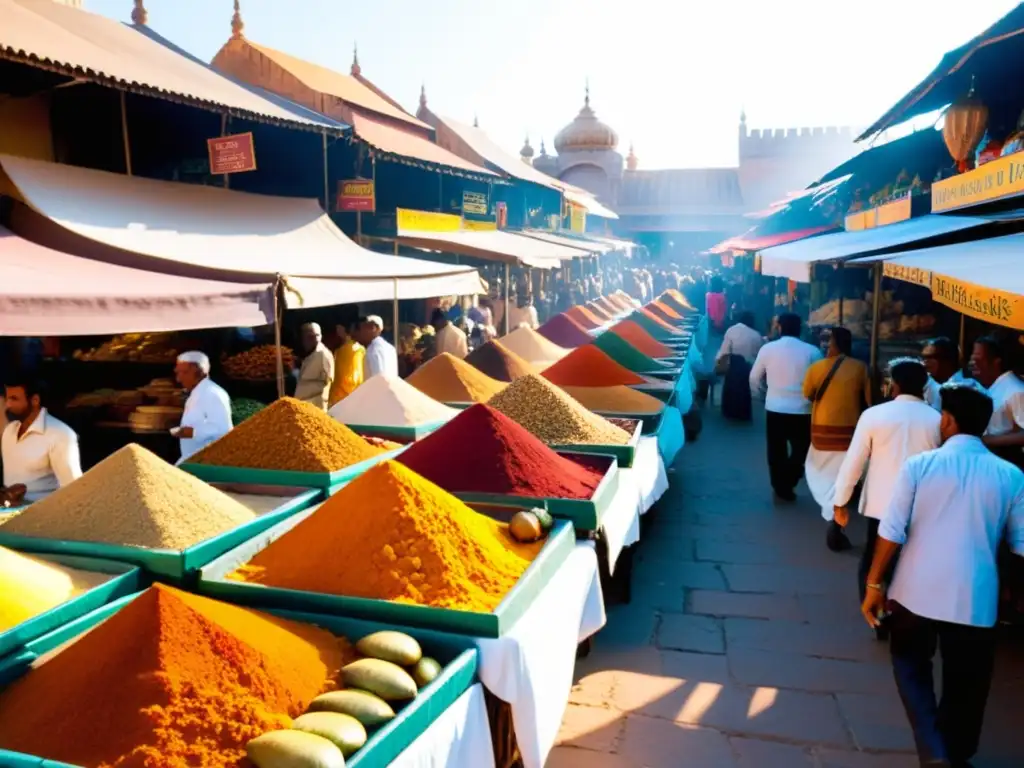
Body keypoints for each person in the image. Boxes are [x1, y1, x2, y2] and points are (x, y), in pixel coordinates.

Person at [861, 384, 1024, 768]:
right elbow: (1020, 544)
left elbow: (891, 531)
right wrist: (1012, 590)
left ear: (947, 421)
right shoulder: (1011, 475)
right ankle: (956, 751)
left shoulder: (920, 466)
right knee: (968, 681)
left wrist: (873, 584)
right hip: (976, 595)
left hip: (913, 591)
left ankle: (933, 747)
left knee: (910, 665)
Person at [832, 358, 941, 637]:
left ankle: (877, 616)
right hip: (921, 506)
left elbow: (853, 463)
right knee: (909, 562)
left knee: (873, 562)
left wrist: (840, 501)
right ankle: (903, 616)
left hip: (881, 505)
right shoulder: (937, 420)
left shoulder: (874, 415)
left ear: (895, 384)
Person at [802, 327, 871, 551]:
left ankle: (831, 511)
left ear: (831, 345)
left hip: (821, 433)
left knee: (819, 472)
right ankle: (836, 514)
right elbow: (869, 401)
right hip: (849, 434)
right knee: (844, 476)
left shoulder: (816, 368)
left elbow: (807, 393)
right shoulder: (861, 368)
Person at [749, 313, 823, 501]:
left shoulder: (768, 349)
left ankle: (780, 485)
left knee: (776, 450)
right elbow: (820, 380)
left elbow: (754, 378)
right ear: (801, 329)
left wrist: (760, 395)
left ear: (780, 327)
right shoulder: (812, 351)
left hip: (775, 407)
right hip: (803, 409)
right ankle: (789, 480)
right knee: (802, 449)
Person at [1, 377, 82, 504]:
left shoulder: (60, 434)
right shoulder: (9, 431)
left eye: (14, 399)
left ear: (35, 400)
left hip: (42, 516)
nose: (8, 405)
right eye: (7, 398)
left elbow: (74, 489)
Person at [172, 351, 232, 464]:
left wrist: (191, 432)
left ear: (199, 373)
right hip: (193, 460)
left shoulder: (212, 394)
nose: (178, 379)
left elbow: (223, 430)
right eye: (177, 373)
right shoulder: (196, 393)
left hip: (208, 463)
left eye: (184, 373)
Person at [972, 335, 1024, 462]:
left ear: (996, 361)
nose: (973, 362)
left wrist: (989, 440)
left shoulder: (1016, 391)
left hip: (1008, 458)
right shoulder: (992, 386)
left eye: (978, 358)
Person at [716, 310, 764, 422]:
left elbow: (724, 351)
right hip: (748, 367)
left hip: (732, 366)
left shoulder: (731, 330)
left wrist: (718, 362)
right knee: (744, 391)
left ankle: (728, 412)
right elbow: (758, 353)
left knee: (729, 388)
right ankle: (743, 414)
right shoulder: (756, 335)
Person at [294, 322, 334, 410]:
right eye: (309, 337)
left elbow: (327, 382)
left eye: (317, 336)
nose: (315, 339)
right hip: (304, 406)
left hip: (315, 407)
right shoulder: (311, 355)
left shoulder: (323, 354)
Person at [922, 337, 968, 411]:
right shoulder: (927, 385)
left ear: (947, 360)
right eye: (923, 357)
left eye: (930, 357)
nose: (924, 363)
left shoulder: (967, 388)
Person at [328, 322, 364, 408]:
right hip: (349, 397)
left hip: (343, 398)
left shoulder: (349, 350)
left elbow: (347, 378)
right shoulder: (359, 349)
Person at [360, 315, 399, 380]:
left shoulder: (374, 349)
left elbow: (378, 379)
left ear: (373, 328)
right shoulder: (390, 348)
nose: (361, 332)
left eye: (363, 328)